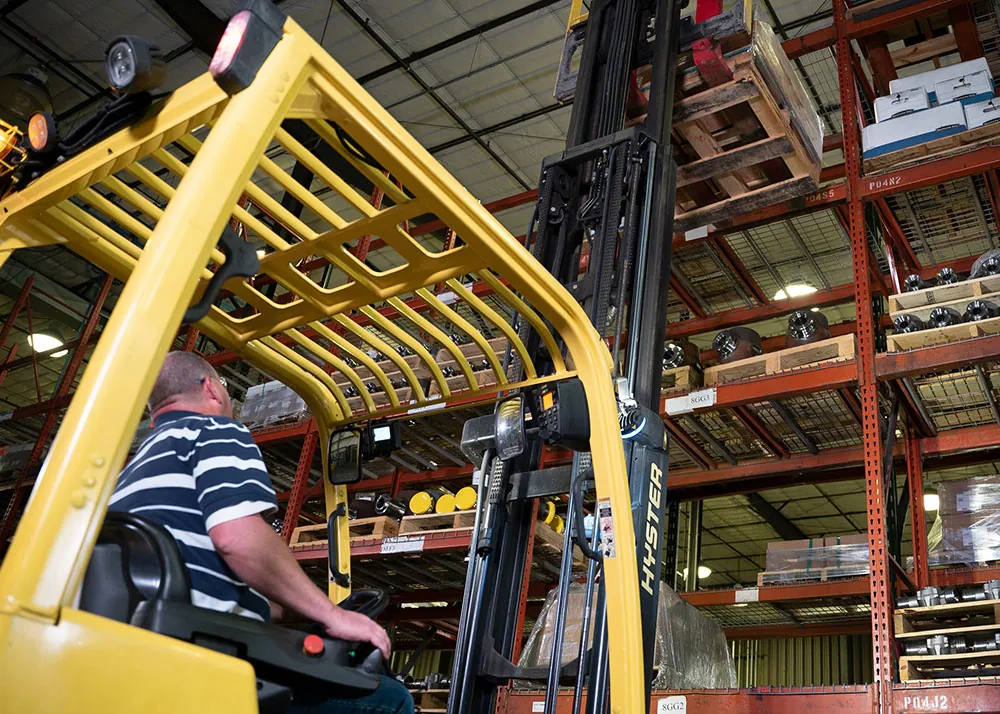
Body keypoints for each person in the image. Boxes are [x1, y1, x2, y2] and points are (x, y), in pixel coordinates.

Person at [110, 351, 413, 714]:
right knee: (390, 700)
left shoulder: (132, 470)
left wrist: (281, 608)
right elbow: (236, 539)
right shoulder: (214, 431)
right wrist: (334, 616)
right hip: (210, 664)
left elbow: (199, 572)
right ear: (212, 389)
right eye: (223, 386)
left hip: (143, 655)